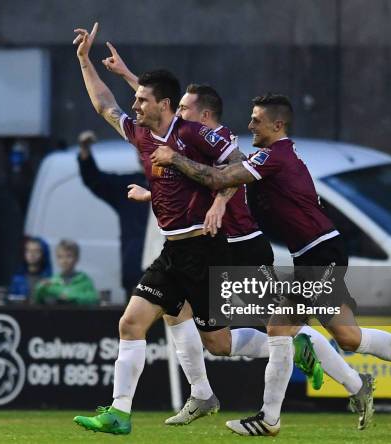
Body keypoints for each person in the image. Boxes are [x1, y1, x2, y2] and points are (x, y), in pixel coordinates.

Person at [152, 93, 391, 435]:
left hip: (320, 253)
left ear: (277, 125)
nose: (250, 125)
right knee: (348, 337)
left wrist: (174, 158)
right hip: (317, 253)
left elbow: (221, 179)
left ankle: (269, 419)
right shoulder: (270, 157)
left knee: (281, 328)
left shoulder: (274, 156)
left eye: (256, 120)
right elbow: (224, 177)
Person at [104, 46, 370, 427]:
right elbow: (159, 115)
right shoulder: (186, 137)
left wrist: (217, 204)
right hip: (212, 245)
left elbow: (221, 177)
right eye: (176, 108)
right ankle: (201, 394)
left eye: (184, 109)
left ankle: (346, 381)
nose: (177, 113)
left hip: (242, 245)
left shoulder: (217, 140)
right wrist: (128, 76)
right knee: (180, 315)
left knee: (280, 329)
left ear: (205, 115)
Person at [71, 23, 268, 435]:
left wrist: (218, 199)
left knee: (219, 343)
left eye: (142, 99)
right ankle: (120, 413)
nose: (135, 105)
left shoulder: (194, 134)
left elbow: (240, 164)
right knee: (130, 323)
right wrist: (85, 62)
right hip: (173, 251)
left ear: (164, 103)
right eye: (136, 98)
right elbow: (105, 106)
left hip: (206, 251)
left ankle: (289, 344)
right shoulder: (143, 136)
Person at [77, 129, 149, 299]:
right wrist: (85, 152)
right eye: (140, 151)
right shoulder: (129, 185)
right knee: (133, 323)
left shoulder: (177, 185)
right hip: (137, 271)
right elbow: (95, 180)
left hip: (171, 272)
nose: (143, 156)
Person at [34, 239, 98, 305]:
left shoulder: (84, 280)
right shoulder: (52, 281)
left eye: (69, 256)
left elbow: (94, 299)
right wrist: (40, 288)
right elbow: (38, 301)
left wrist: (71, 296)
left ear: (77, 258)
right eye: (60, 257)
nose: (64, 261)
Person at [8, 236, 52, 302]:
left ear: (44, 254)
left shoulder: (50, 279)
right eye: (28, 250)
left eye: (36, 251)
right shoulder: (17, 280)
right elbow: (10, 300)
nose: (31, 254)